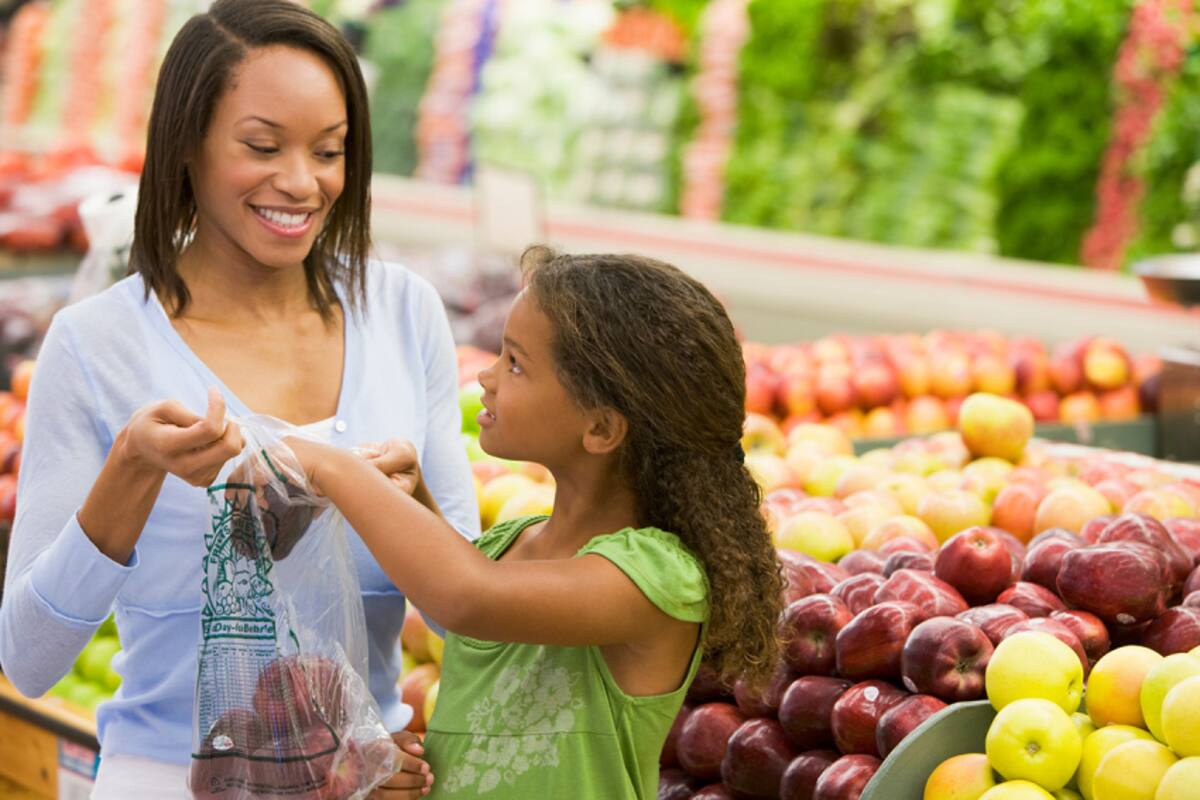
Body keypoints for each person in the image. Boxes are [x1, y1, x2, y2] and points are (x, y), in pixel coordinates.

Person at [0, 1, 478, 797]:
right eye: (262, 146)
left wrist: (411, 501)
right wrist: (132, 468)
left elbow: (470, 620)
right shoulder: (98, 344)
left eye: (330, 152)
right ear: (187, 144)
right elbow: (29, 658)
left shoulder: (403, 312)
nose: (303, 182)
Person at [285, 247, 786, 798]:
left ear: (600, 428)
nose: (487, 376)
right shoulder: (509, 543)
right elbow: (469, 614)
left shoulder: (658, 578)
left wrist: (328, 463)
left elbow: (467, 598)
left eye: (516, 363)